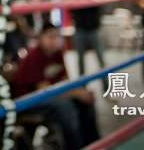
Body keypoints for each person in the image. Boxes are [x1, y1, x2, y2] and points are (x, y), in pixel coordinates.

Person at [10, 22, 100, 150]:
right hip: (29, 101)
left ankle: (94, 144)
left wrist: (81, 93)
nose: (55, 41)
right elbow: (43, 89)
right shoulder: (34, 56)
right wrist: (77, 94)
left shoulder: (58, 54)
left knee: (86, 101)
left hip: (51, 97)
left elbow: (64, 81)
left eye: (57, 37)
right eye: (50, 37)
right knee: (65, 107)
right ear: (40, 38)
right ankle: (75, 146)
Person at [66, 0, 108, 91]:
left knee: (101, 60)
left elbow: (99, 5)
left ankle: (106, 89)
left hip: (94, 27)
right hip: (81, 28)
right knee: (80, 61)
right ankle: (83, 88)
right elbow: (70, 7)